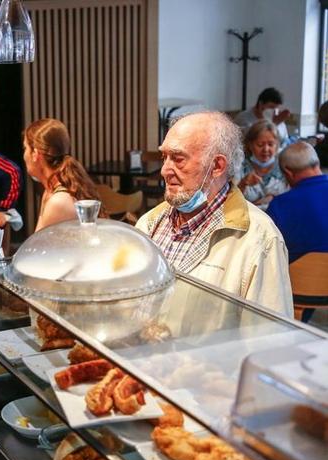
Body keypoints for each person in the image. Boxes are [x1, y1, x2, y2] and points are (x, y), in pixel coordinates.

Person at [136, 111, 292, 316]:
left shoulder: (260, 238)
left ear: (217, 166)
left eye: (178, 158)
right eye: (164, 157)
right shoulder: (148, 224)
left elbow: (270, 336)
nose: (165, 170)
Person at [22, 118, 102, 230]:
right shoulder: (51, 190)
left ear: (35, 154)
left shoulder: (58, 202)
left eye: (25, 148)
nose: (24, 155)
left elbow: (41, 246)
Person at [267, 141, 328, 264]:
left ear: (288, 172)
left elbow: (268, 255)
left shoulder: (279, 206)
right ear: (317, 163)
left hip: (300, 281)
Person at [236, 120, 289, 210]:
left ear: (277, 145)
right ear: (250, 145)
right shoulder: (239, 167)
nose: (266, 149)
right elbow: (231, 201)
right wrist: (243, 184)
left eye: (271, 144)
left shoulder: (284, 166)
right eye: (260, 145)